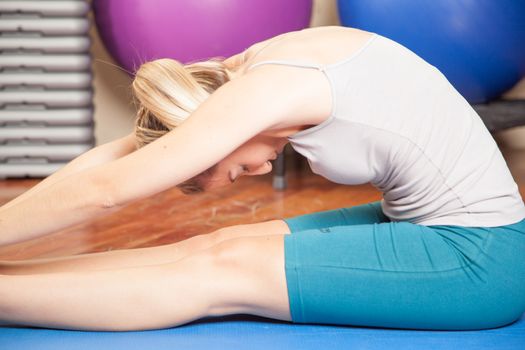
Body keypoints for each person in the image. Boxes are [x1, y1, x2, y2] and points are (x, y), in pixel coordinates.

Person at [1, 26, 525, 331]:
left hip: (480, 257)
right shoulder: (246, 69)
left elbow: (105, 193)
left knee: (224, 269)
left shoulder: (265, 92)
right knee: (221, 241)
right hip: (425, 227)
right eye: (231, 170)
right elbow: (104, 171)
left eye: (229, 169)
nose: (253, 172)